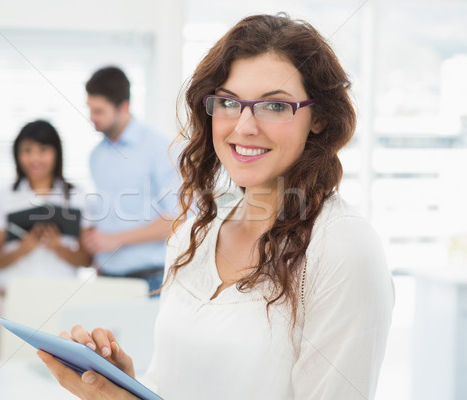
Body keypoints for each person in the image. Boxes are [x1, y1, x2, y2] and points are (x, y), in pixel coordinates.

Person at [37, 13, 395, 399]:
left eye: (274, 106)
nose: (243, 126)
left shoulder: (342, 248)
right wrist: (126, 387)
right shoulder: (196, 234)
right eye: (228, 102)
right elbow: (171, 383)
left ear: (319, 118)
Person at [0, 120, 93, 354]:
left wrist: (56, 246)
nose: (35, 159)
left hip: (60, 302)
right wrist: (23, 248)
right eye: (27, 151)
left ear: (56, 153)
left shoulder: (76, 196)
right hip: (12, 303)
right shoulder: (4, 197)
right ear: (17, 154)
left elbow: (87, 258)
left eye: (43, 150)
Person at [82, 66, 180, 294]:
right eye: (89, 109)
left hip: (150, 280)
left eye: (99, 111)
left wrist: (116, 240)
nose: (91, 118)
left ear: (123, 107)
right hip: (106, 279)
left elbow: (176, 219)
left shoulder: (161, 148)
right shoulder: (96, 156)